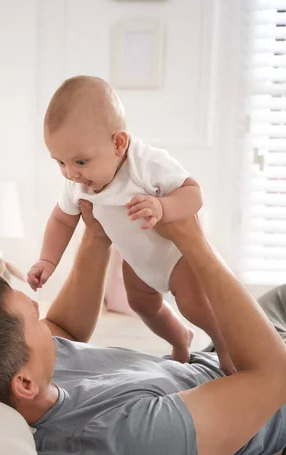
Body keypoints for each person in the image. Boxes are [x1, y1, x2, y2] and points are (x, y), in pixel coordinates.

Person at [0, 202, 286, 455]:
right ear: (23, 383)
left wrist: (96, 234)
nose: (41, 313)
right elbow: (271, 377)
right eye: (33, 320)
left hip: (218, 360)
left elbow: (65, 327)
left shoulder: (20, 378)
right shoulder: (117, 443)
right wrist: (194, 241)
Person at [28, 75, 235, 374]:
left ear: (118, 143)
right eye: (60, 162)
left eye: (80, 162)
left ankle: (223, 342)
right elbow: (62, 219)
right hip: (137, 261)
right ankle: (180, 340)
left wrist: (163, 206)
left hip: (175, 257)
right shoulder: (78, 184)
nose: (70, 173)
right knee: (142, 305)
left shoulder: (143, 164)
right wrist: (47, 260)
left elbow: (194, 193)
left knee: (194, 306)